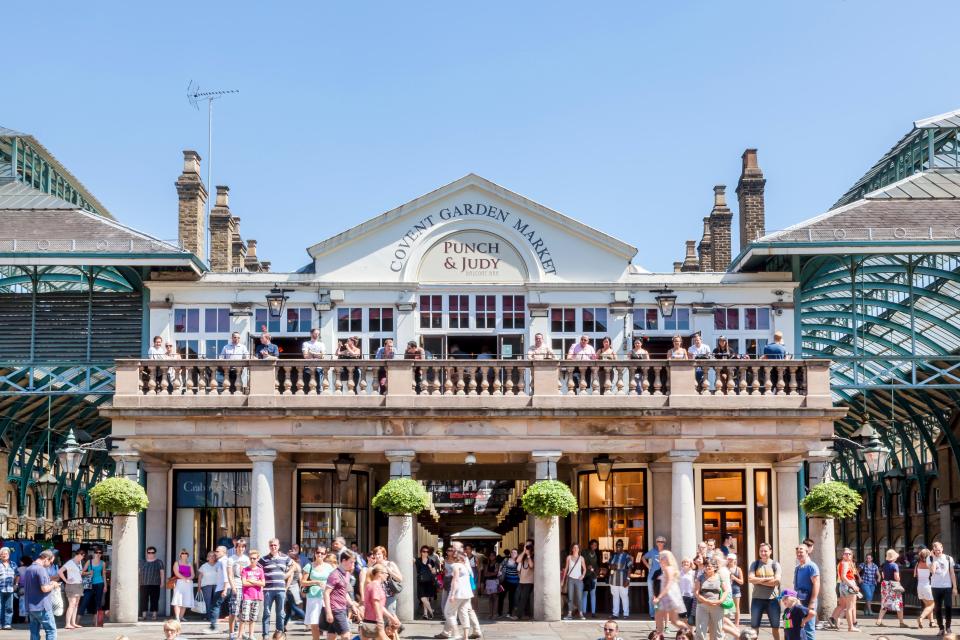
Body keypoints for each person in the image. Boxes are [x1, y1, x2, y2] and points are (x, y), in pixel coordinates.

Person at [652, 550, 691, 637]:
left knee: (659, 617)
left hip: (668, 597)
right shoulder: (669, 568)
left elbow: (668, 584)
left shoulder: (668, 568)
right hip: (670, 597)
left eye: (661, 558)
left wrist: (659, 597)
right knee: (674, 621)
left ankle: (660, 635)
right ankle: (690, 634)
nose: (659, 560)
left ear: (666, 559)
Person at [260, 537, 293, 638]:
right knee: (266, 613)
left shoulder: (285, 558)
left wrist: (286, 577)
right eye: (271, 545)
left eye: (275, 545)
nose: (273, 547)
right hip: (268, 590)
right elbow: (258, 572)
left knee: (280, 613)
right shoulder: (263, 559)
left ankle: (280, 635)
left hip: (280, 590)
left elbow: (294, 566)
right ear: (269, 546)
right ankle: (265, 635)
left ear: (278, 546)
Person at [748, 542, 781, 640]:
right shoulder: (755, 564)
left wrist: (758, 581)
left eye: (765, 551)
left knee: (776, 627)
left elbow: (777, 581)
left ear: (770, 552)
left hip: (772, 600)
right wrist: (768, 579)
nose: (763, 553)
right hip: (757, 599)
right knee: (754, 627)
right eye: (761, 551)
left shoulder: (775, 564)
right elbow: (750, 579)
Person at [23, 549, 59, 640]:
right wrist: (53, 585)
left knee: (34, 632)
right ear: (46, 558)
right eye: (51, 562)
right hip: (42, 606)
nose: (51, 564)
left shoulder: (29, 568)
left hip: (31, 606)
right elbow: (44, 588)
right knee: (51, 630)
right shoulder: (41, 569)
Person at [445, 550, 481, 640]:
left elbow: (455, 580)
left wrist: (452, 594)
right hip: (467, 593)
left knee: (449, 613)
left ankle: (456, 633)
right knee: (464, 613)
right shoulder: (465, 567)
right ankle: (465, 637)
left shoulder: (455, 565)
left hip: (458, 593)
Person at [362, 564, 402, 640]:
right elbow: (376, 603)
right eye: (386, 573)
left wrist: (391, 618)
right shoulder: (375, 586)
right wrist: (380, 619)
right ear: (380, 574)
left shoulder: (371, 585)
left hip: (369, 620)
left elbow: (380, 606)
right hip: (374, 621)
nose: (387, 575)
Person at [303, 551, 337, 640]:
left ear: (325, 555)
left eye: (322, 553)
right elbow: (303, 582)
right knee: (314, 623)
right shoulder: (309, 566)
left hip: (326, 597)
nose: (320, 554)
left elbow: (335, 580)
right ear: (314, 553)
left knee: (329, 621)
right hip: (313, 597)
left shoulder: (329, 567)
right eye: (318, 552)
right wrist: (316, 582)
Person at [323, 553, 357, 640]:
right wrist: (328, 612)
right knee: (346, 636)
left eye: (354, 563)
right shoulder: (334, 575)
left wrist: (352, 605)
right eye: (351, 562)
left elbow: (344, 592)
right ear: (343, 561)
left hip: (341, 608)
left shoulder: (347, 574)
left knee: (332, 635)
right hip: (336, 609)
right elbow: (326, 593)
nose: (353, 565)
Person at [928, 540, 957, 635]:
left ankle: (948, 626)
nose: (938, 552)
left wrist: (955, 587)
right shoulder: (930, 558)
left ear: (942, 548)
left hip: (947, 586)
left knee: (948, 607)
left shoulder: (948, 558)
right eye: (936, 550)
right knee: (938, 608)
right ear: (933, 550)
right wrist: (933, 559)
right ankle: (941, 628)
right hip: (936, 586)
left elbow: (952, 573)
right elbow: (932, 571)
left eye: (939, 550)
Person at [695, 556, 728, 640]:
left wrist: (720, 601)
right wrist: (706, 601)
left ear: (715, 567)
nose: (708, 567)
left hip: (717, 606)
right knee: (700, 631)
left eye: (710, 566)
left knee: (717, 632)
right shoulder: (700, 578)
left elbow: (725, 591)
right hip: (702, 606)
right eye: (706, 565)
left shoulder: (720, 577)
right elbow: (696, 592)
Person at [829, 548, 860, 632]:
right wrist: (853, 586)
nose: (848, 555)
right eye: (846, 554)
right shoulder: (845, 563)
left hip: (843, 585)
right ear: (843, 555)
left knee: (842, 605)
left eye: (849, 554)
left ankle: (833, 618)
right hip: (848, 584)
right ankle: (851, 626)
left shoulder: (843, 563)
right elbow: (843, 576)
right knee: (850, 607)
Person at [793, 544, 819, 640]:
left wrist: (812, 602)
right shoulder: (798, 567)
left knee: (809, 629)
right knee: (799, 627)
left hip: (808, 601)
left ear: (807, 553)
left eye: (801, 551)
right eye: (797, 552)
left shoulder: (811, 566)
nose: (799, 554)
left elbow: (816, 584)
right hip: (799, 601)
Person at [226, 538, 250, 640]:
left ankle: (242, 632)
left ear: (245, 548)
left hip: (246, 587)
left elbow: (249, 574)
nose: (241, 548)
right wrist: (233, 587)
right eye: (239, 547)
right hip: (236, 586)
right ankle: (231, 633)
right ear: (236, 548)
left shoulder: (247, 559)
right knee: (233, 611)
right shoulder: (231, 559)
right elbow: (230, 575)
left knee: (243, 612)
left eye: (243, 547)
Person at [876, 548, 907, 628]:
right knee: (899, 603)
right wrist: (899, 578)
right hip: (893, 585)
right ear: (894, 557)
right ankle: (901, 622)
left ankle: (879, 620)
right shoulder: (894, 565)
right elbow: (896, 577)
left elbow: (883, 575)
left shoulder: (884, 564)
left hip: (885, 584)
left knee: (884, 602)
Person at [240, 549, 265, 640]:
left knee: (253, 617)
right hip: (247, 596)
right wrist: (256, 582)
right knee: (244, 617)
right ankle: (241, 634)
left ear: (258, 559)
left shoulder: (260, 570)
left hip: (256, 596)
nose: (252, 560)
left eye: (254, 558)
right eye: (250, 558)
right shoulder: (245, 569)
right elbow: (244, 583)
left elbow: (263, 583)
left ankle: (251, 635)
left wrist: (250, 580)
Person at [57, 549, 84, 630]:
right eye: (82, 556)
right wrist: (66, 581)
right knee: (72, 604)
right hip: (72, 585)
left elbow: (80, 573)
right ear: (79, 554)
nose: (82, 558)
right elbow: (60, 571)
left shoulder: (79, 563)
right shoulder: (70, 562)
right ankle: (67, 623)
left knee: (76, 604)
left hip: (78, 584)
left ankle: (73, 622)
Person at [642, 537, 666, 620]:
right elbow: (643, 558)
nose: (660, 543)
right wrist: (648, 566)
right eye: (658, 541)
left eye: (661, 541)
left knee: (661, 596)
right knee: (651, 596)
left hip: (662, 577)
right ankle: (652, 614)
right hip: (652, 577)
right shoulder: (653, 551)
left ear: (664, 543)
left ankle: (660, 613)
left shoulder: (666, 552)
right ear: (656, 542)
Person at [81, 547, 108, 620]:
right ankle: (77, 621)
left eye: (100, 553)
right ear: (94, 553)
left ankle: (96, 621)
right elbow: (82, 573)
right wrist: (89, 572)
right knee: (85, 601)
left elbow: (104, 575)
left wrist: (105, 586)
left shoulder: (103, 563)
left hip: (100, 583)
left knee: (98, 602)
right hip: (89, 584)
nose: (98, 554)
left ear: (101, 554)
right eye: (97, 552)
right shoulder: (89, 562)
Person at [608, 539, 633, 619]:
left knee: (624, 596)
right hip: (613, 579)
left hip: (623, 579)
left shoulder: (627, 556)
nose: (618, 546)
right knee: (615, 597)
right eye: (617, 545)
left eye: (620, 545)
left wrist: (628, 579)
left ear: (622, 546)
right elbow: (609, 565)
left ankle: (626, 613)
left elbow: (630, 567)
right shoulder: (613, 555)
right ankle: (615, 614)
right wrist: (611, 566)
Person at [139, 546, 164, 622]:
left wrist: (162, 582)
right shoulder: (142, 562)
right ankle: (144, 615)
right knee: (143, 599)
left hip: (155, 583)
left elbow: (162, 573)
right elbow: (138, 572)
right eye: (149, 552)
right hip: (143, 583)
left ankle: (154, 615)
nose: (150, 554)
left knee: (155, 599)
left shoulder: (159, 562)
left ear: (155, 553)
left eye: (152, 552)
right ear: (147, 553)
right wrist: (137, 583)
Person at [562, 543, 586, 620]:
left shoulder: (581, 558)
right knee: (570, 597)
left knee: (579, 597)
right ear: (572, 549)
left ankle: (581, 613)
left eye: (577, 548)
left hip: (578, 580)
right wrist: (563, 580)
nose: (575, 549)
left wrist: (582, 576)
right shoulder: (568, 557)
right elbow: (566, 569)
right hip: (570, 579)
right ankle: (569, 614)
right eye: (574, 548)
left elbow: (585, 569)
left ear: (579, 549)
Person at [169, 549, 194, 622]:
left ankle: (181, 616)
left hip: (188, 583)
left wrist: (189, 578)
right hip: (179, 582)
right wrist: (184, 578)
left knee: (186, 600)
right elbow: (176, 573)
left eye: (186, 553)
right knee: (177, 599)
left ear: (187, 555)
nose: (184, 554)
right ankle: (177, 617)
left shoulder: (189, 564)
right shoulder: (177, 563)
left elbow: (193, 574)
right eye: (182, 553)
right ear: (180, 555)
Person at [198, 552, 220, 628]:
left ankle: (214, 617)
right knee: (207, 602)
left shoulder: (218, 565)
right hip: (206, 586)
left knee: (215, 602)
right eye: (210, 556)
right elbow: (200, 577)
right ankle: (208, 616)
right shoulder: (204, 566)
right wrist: (199, 586)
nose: (212, 557)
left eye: (213, 556)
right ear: (207, 558)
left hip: (216, 585)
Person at [417, 546, 439, 619]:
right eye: (424, 551)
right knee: (422, 598)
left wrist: (431, 568)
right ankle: (431, 611)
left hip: (429, 582)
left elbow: (434, 572)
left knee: (426, 598)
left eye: (427, 552)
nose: (425, 553)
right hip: (421, 581)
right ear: (421, 552)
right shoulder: (417, 560)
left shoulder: (431, 561)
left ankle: (425, 614)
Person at [915, 547, 935, 630]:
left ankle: (932, 622)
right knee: (932, 604)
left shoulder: (917, 563)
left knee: (928, 605)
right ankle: (921, 617)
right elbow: (934, 572)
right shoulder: (929, 563)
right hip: (927, 586)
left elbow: (915, 575)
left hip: (919, 586)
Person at [498, 548, 520, 619]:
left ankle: (509, 613)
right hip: (505, 581)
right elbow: (501, 565)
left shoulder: (518, 561)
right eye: (512, 552)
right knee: (501, 596)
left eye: (515, 553)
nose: (513, 554)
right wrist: (499, 571)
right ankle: (500, 613)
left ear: (517, 554)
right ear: (510, 553)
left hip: (514, 583)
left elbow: (519, 570)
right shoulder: (506, 560)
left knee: (511, 598)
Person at [515, 544, 535, 621]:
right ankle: (527, 614)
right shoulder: (523, 557)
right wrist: (523, 552)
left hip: (529, 581)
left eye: (528, 549)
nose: (527, 550)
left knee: (523, 598)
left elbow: (531, 565)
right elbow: (517, 560)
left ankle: (518, 615)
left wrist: (529, 555)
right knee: (520, 597)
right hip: (522, 581)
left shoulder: (532, 557)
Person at [582, 539, 600, 619]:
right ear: (590, 545)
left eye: (595, 545)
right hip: (586, 576)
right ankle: (583, 612)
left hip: (593, 576)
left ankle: (593, 612)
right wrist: (587, 566)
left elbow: (597, 565)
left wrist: (597, 572)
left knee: (593, 594)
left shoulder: (597, 553)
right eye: (593, 544)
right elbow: (583, 562)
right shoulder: (585, 552)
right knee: (585, 594)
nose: (594, 546)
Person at [726, 553, 744, 627]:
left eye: (731, 559)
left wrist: (734, 578)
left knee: (736, 607)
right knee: (726, 607)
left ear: (735, 560)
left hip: (735, 590)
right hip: (726, 590)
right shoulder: (725, 568)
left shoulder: (738, 569)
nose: (730, 560)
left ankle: (736, 624)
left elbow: (742, 582)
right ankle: (726, 623)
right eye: (729, 559)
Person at [858, 553, 878, 617]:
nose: (868, 559)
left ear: (872, 559)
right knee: (869, 595)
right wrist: (860, 578)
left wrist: (879, 578)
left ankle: (865, 609)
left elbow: (878, 574)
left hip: (872, 583)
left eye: (869, 558)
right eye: (867, 558)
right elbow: (856, 571)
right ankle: (870, 610)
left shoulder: (874, 565)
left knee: (870, 597)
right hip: (865, 582)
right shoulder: (863, 565)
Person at [481, 550, 499, 620]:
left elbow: (496, 573)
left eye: (493, 555)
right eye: (490, 555)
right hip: (488, 582)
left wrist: (489, 573)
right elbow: (485, 574)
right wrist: (491, 573)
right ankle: (490, 613)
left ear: (495, 556)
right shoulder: (487, 565)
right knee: (490, 598)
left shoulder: (497, 564)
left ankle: (495, 614)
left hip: (494, 581)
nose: (491, 557)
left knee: (495, 597)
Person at [0, 547, 14, 630]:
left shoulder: (13, 564)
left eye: (6, 554)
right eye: (2, 554)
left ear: (9, 555)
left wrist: (16, 584)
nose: (4, 555)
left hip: (10, 589)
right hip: (0, 588)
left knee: (9, 607)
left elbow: (17, 575)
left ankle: (7, 624)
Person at [679, 558, 696, 625]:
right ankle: (683, 629)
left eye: (687, 562)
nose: (685, 563)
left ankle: (689, 632)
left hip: (690, 596)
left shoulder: (693, 573)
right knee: (681, 615)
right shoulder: (679, 573)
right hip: (681, 596)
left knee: (689, 616)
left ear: (690, 564)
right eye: (684, 562)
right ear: (682, 564)